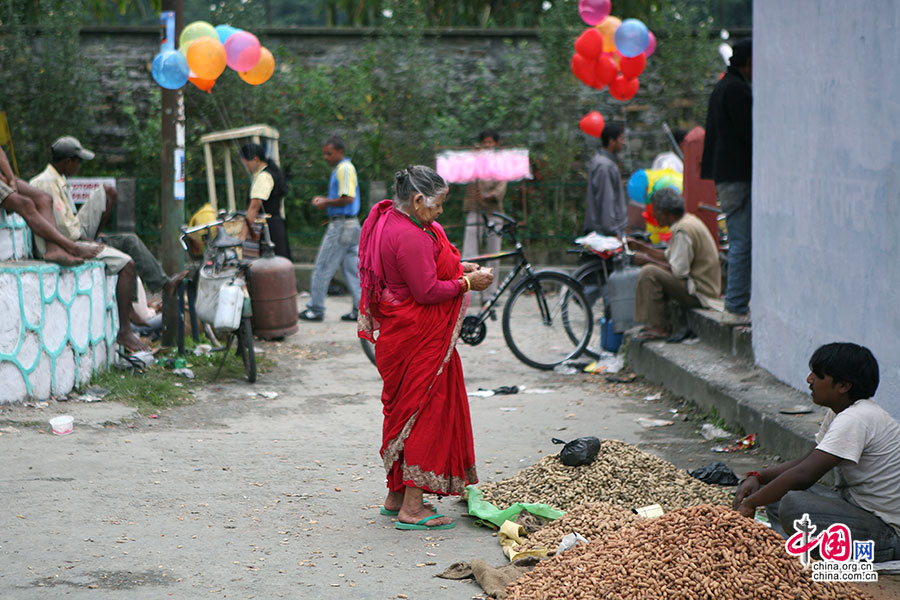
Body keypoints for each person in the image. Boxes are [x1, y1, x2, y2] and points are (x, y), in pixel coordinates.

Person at [357, 165, 493, 531]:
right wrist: (467, 282)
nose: (441, 211)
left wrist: (456, 266)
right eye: (438, 204)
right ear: (418, 200)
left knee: (404, 413)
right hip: (418, 336)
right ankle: (413, 509)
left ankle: (395, 497)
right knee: (425, 414)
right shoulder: (411, 236)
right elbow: (426, 291)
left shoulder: (388, 218)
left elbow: (418, 271)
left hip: (402, 336)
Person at [733, 343, 900, 563]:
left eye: (818, 375)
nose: (809, 380)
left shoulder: (857, 419)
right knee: (769, 488)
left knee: (794, 503)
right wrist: (758, 476)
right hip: (857, 510)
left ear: (843, 386)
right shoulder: (843, 412)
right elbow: (805, 462)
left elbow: (804, 476)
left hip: (885, 535)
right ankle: (785, 549)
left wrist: (750, 504)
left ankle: (794, 554)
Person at [29, 136, 186, 352]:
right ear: (68, 161)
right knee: (126, 264)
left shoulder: (59, 180)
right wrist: (84, 243)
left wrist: (91, 237)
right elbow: (63, 230)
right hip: (64, 242)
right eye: (78, 162)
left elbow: (70, 222)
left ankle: (163, 283)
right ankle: (124, 331)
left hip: (75, 233)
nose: (79, 166)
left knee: (127, 235)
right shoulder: (47, 183)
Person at [701, 38, 752, 324]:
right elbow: (749, 135)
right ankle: (735, 306)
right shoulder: (738, 91)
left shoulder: (723, 87)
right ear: (748, 61)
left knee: (738, 240)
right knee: (742, 242)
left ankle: (735, 303)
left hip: (725, 176)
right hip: (738, 177)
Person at [628, 187, 722, 340]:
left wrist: (647, 260)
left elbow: (678, 271)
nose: (655, 216)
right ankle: (656, 324)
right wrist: (642, 247)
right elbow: (670, 256)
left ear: (665, 212)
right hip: (701, 287)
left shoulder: (683, 231)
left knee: (649, 272)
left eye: (656, 211)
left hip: (701, 292)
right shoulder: (687, 221)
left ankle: (660, 327)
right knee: (651, 268)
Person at [0, 145, 100, 266]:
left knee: (45, 198)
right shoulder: (47, 181)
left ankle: (53, 249)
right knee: (26, 204)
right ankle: (72, 247)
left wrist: (10, 179)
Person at [299, 136, 362, 323]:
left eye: (329, 153)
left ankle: (316, 309)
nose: (326, 157)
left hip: (342, 225)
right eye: (325, 153)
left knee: (323, 266)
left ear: (340, 152)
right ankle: (360, 309)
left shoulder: (344, 168)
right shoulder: (344, 169)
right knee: (353, 269)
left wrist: (325, 202)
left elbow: (348, 197)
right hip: (351, 224)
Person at [461, 129, 506, 306]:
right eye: (485, 142)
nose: (488, 146)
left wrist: (490, 195)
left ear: (496, 144)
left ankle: (490, 296)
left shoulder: (501, 164)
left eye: (491, 143)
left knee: (493, 254)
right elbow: (463, 174)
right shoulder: (473, 159)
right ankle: (466, 293)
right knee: (470, 253)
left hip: (494, 211)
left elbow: (502, 185)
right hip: (474, 209)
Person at [238, 143, 291, 260]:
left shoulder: (264, 176)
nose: (246, 168)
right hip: (276, 225)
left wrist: (243, 235)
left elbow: (254, 207)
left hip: (268, 228)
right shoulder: (271, 173)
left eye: (246, 164)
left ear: (256, 159)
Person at [584, 122, 628, 237]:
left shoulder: (604, 163)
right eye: (620, 139)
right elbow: (606, 200)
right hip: (606, 234)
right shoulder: (604, 166)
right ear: (611, 141)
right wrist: (612, 231)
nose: (623, 142)